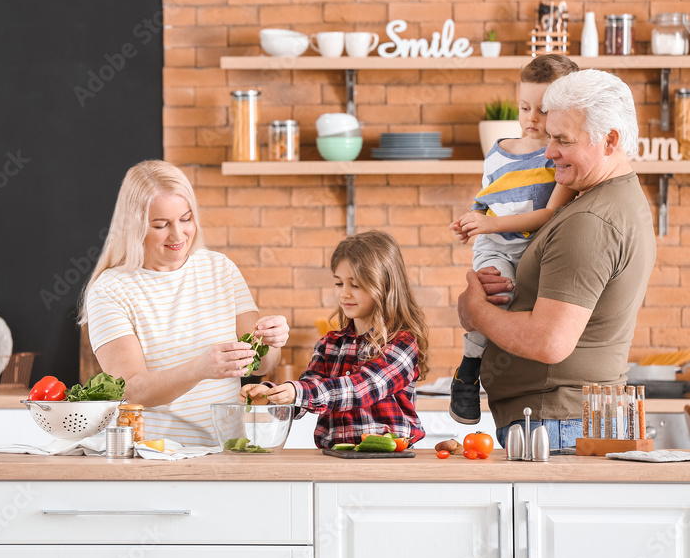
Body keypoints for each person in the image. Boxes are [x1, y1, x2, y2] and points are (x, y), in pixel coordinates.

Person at [457, 69, 656, 449]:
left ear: (609, 140)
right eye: (549, 136)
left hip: (559, 424)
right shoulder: (608, 200)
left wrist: (475, 311)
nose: (548, 152)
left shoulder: (589, 220)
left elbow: (549, 342)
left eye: (562, 140)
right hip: (562, 421)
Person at [79, 160, 289, 446]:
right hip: (152, 455)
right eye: (161, 225)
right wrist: (198, 369)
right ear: (134, 226)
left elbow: (260, 364)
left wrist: (272, 341)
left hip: (225, 452)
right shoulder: (110, 290)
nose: (178, 235)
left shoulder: (220, 269)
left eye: (186, 219)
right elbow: (132, 389)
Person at [448, 54, 580, 425]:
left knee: (516, 312)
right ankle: (468, 371)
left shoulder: (558, 158)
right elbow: (486, 199)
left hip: (530, 250)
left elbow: (549, 214)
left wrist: (489, 224)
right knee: (494, 295)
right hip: (494, 245)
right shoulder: (498, 151)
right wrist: (472, 221)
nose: (532, 119)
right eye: (525, 107)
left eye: (544, 109)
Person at [240, 231, 428, 449]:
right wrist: (271, 395)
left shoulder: (402, 343)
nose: (344, 294)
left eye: (355, 285)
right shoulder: (329, 343)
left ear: (384, 286)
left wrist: (297, 392)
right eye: (339, 284)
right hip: (334, 457)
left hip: (388, 460)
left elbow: (360, 389)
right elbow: (308, 392)